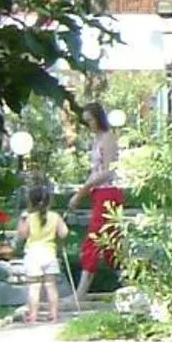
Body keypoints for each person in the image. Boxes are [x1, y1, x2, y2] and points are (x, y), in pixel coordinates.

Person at [74, 101, 123, 297]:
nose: (89, 125)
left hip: (108, 193)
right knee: (111, 242)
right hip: (99, 193)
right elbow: (95, 172)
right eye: (86, 121)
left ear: (99, 118)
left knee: (94, 239)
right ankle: (131, 283)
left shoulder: (108, 139)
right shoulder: (97, 140)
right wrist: (81, 193)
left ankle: (80, 293)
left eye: (91, 120)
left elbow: (108, 171)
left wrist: (83, 191)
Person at [13, 184, 67, 324]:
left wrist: (21, 220)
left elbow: (22, 234)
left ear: (30, 201)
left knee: (34, 287)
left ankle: (33, 315)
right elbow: (64, 233)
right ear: (49, 201)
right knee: (51, 286)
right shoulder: (55, 216)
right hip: (49, 254)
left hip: (33, 255)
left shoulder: (29, 217)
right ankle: (54, 315)